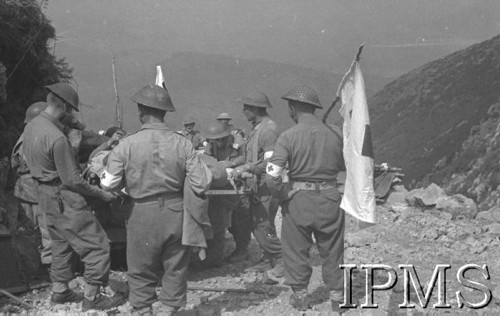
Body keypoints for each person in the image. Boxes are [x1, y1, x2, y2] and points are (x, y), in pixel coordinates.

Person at [101, 84, 212, 315]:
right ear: (164, 113)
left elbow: (108, 184)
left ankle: (143, 310)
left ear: (141, 111)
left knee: (140, 266)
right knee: (175, 266)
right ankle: (170, 310)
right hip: (176, 211)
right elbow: (201, 182)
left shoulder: (127, 145)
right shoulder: (183, 143)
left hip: (142, 211)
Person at [22, 83, 124, 311]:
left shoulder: (33, 127)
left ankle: (60, 291)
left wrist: (73, 124)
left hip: (44, 194)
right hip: (63, 197)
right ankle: (93, 298)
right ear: (66, 108)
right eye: (70, 111)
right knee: (96, 244)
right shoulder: (58, 139)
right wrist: (102, 194)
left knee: (61, 243)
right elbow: (72, 180)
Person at [266, 85, 345, 312]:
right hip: (330, 197)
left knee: (296, 249)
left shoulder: (287, 136)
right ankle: (337, 298)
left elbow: (272, 177)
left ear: (292, 108)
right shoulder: (335, 133)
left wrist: (282, 194)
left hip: (299, 198)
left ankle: (300, 296)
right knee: (332, 249)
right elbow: (343, 164)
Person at [232, 91, 283, 279]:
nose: (243, 111)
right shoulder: (257, 129)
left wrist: (248, 167)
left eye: (246, 107)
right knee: (261, 225)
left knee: (263, 226)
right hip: (257, 185)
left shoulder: (268, 130)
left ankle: (280, 261)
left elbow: (272, 163)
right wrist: (232, 164)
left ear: (255, 109)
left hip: (266, 187)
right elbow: (249, 155)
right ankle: (268, 258)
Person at [201, 121, 248, 267]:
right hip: (220, 182)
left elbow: (245, 158)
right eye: (213, 141)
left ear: (226, 137)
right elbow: (208, 158)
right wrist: (216, 166)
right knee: (217, 217)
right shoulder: (211, 142)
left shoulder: (238, 142)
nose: (216, 143)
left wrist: (229, 164)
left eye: (219, 140)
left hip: (237, 180)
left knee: (239, 220)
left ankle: (242, 250)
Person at [11, 102, 51, 266]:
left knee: (28, 230)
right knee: (47, 230)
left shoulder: (26, 136)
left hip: (24, 189)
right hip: (37, 189)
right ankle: (48, 266)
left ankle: (30, 266)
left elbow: (15, 165)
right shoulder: (36, 137)